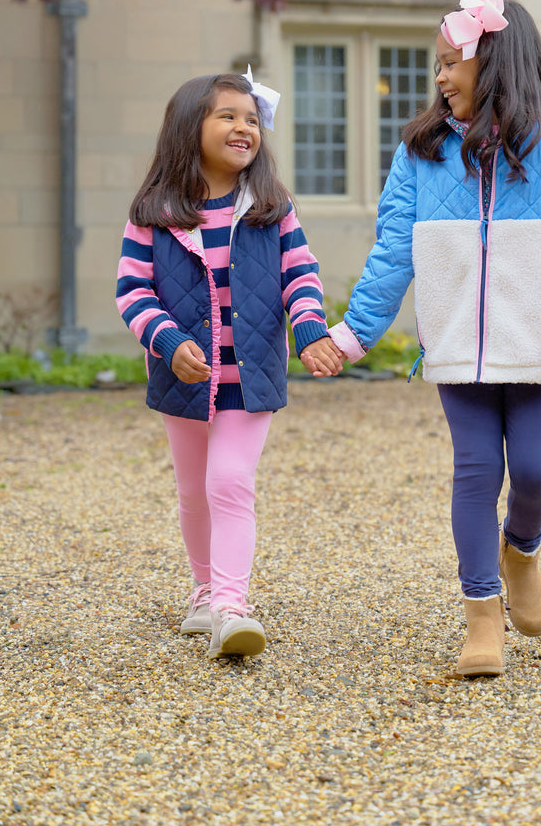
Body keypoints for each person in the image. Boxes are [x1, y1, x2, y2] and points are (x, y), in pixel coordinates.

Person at [329, 0, 541, 677]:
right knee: (476, 469)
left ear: (493, 62)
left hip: (535, 341)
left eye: (447, 63)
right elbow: (393, 248)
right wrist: (353, 333)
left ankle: (520, 551)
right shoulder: (421, 152)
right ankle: (481, 618)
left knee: (539, 472)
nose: (438, 78)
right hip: (457, 342)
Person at [117, 70, 342, 661]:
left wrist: (311, 326)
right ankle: (204, 589)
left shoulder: (271, 208)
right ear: (190, 127)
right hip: (184, 374)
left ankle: (231, 607)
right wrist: (166, 340)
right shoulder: (154, 211)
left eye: (251, 119)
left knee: (230, 483)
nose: (244, 128)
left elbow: (301, 273)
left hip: (252, 373)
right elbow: (131, 290)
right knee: (193, 491)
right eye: (228, 116)